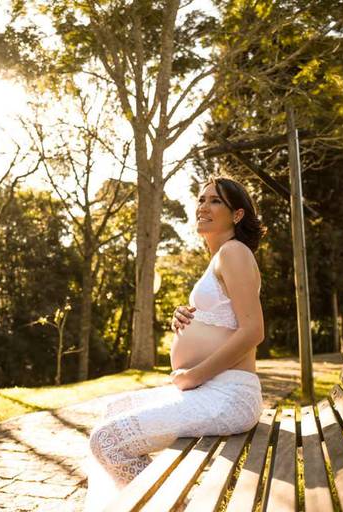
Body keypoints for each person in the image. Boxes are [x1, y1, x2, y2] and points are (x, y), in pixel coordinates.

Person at [83, 175, 267, 511]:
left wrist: (193, 374)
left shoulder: (235, 252)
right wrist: (187, 316)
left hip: (228, 394)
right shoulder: (220, 258)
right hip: (213, 389)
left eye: (215, 201)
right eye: (201, 199)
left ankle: (172, 507)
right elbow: (223, 317)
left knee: (106, 441)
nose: (203, 207)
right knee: (111, 411)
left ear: (237, 215)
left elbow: (253, 331)